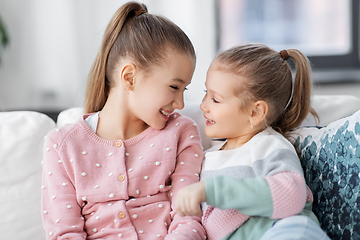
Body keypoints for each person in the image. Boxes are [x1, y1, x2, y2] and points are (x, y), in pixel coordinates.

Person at [41, 2, 206, 239]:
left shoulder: (181, 132)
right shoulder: (62, 145)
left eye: (184, 89)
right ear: (129, 77)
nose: (180, 103)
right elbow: (65, 233)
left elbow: (188, 219)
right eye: (174, 87)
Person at [175, 44, 331, 240]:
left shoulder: (268, 145)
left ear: (255, 112)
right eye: (206, 93)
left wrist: (212, 191)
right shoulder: (205, 158)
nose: (203, 105)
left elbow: (291, 195)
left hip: (287, 231)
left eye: (215, 99)